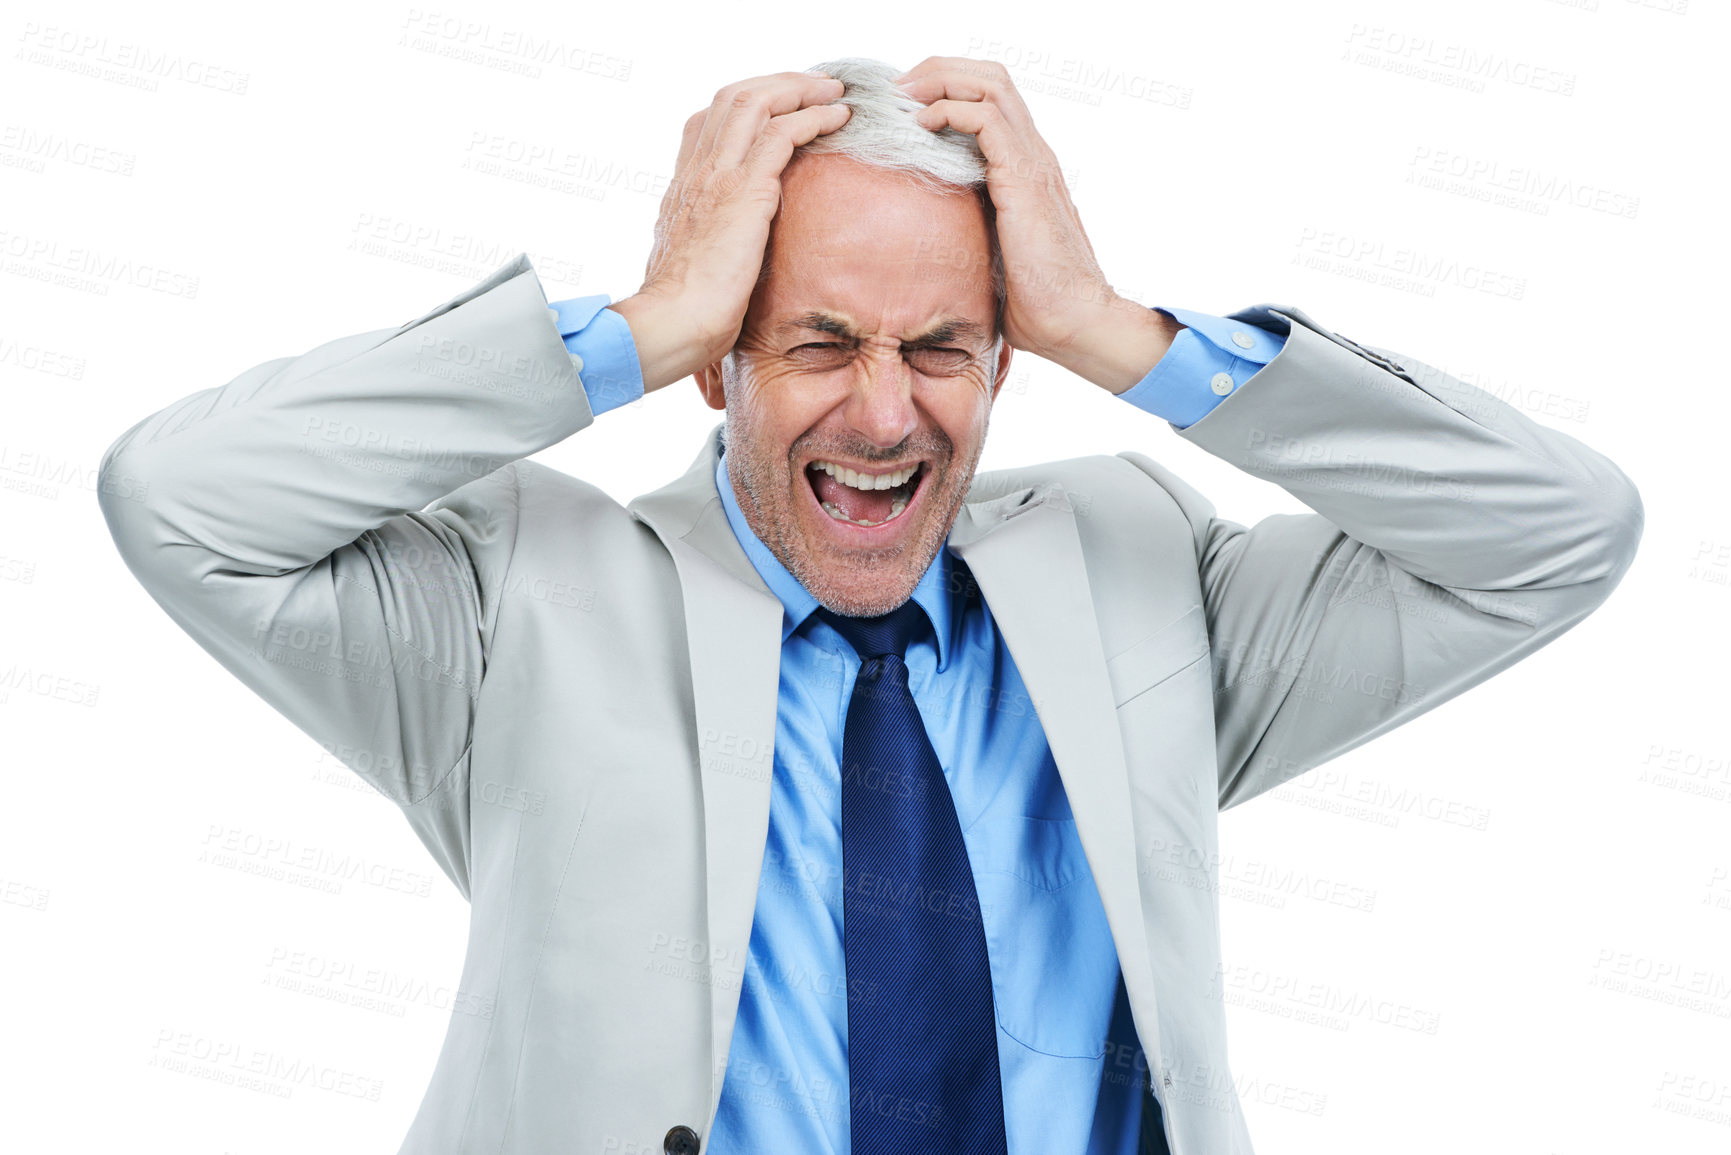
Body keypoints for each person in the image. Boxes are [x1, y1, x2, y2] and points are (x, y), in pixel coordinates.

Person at [98, 55, 1642, 1155]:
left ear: (1001, 361)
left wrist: (1121, 333)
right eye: (820, 342)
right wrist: (637, 324)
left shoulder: (1140, 574)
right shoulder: (519, 610)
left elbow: (1553, 533)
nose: (887, 418)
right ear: (727, 362)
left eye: (943, 348)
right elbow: (183, 502)